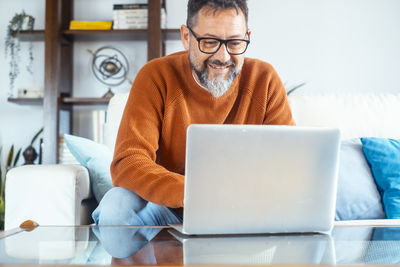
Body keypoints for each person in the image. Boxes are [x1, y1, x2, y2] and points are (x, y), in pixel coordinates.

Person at [92, 0, 295, 226]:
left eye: (235, 43)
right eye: (209, 42)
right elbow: (129, 162)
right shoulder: (155, 76)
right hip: (168, 212)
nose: (223, 57)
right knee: (116, 205)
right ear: (186, 37)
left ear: (247, 36)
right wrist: (195, 193)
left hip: (244, 211)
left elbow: (288, 163)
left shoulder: (264, 80)